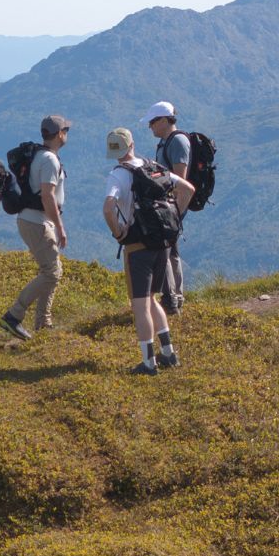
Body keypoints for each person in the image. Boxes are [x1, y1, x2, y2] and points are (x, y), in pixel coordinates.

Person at [103, 127, 193, 375]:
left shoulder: (118, 175)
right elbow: (188, 189)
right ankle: (168, 353)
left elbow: (108, 207)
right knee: (153, 300)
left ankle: (148, 363)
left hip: (137, 248)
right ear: (131, 144)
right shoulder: (153, 166)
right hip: (162, 244)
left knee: (140, 305)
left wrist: (118, 232)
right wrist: (176, 217)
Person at [0, 115, 70, 340]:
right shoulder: (49, 159)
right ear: (59, 134)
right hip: (37, 221)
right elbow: (48, 196)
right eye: (66, 130)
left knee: (51, 270)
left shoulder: (39, 155)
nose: (67, 134)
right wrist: (60, 227)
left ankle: (43, 321)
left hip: (33, 220)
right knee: (51, 272)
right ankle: (14, 315)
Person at [144, 101, 190, 313]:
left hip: (172, 206)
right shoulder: (165, 142)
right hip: (167, 206)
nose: (150, 126)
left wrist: (176, 212)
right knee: (170, 250)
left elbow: (181, 180)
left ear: (164, 120)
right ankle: (173, 296)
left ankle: (174, 298)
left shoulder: (177, 142)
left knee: (167, 250)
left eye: (153, 122)